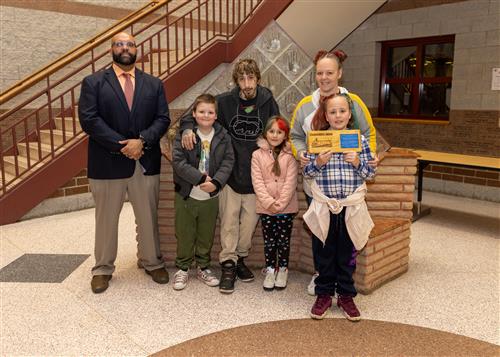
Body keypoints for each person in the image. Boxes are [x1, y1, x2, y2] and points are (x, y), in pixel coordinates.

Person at [79, 32, 170, 294]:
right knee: (106, 219)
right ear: (111, 49)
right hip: (107, 163)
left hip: (145, 161)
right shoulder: (93, 82)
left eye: (129, 44)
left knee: (148, 217)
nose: (125, 48)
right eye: (120, 44)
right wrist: (124, 145)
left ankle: (152, 262)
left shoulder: (153, 84)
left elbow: (162, 118)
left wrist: (141, 141)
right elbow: (90, 120)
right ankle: (103, 269)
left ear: (136, 49)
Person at [180, 59, 279, 294]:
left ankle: (240, 258)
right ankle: (228, 264)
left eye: (251, 78)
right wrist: (186, 128)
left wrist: (272, 140)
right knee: (228, 223)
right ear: (236, 81)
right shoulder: (224, 101)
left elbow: (279, 127)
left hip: (257, 177)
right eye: (242, 79)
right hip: (229, 175)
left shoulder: (267, 101)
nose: (247, 84)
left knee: (248, 226)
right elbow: (194, 114)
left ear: (258, 78)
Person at [289, 49, 378, 296]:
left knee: (345, 239)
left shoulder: (354, 103)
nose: (324, 77)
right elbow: (296, 136)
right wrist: (301, 154)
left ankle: (344, 286)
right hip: (318, 186)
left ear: (340, 73)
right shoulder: (305, 106)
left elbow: (368, 135)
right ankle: (322, 278)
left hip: (348, 188)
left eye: (329, 72)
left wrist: (366, 157)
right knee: (322, 235)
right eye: (319, 73)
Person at [302, 93, 375, 321]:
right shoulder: (318, 141)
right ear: (326, 115)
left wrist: (357, 161)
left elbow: (370, 173)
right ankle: (324, 293)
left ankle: (345, 294)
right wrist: (318, 162)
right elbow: (307, 173)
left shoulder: (359, 140)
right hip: (325, 205)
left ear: (349, 114)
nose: (338, 115)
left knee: (347, 254)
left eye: (342, 111)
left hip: (350, 207)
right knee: (324, 251)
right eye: (332, 112)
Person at [171, 94, 234, 290]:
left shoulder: (223, 136)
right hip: (187, 194)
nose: (206, 115)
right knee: (184, 232)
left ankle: (203, 266)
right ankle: (182, 268)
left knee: (206, 234)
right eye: (201, 112)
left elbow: (228, 161)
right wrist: (199, 178)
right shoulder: (185, 135)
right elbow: (179, 162)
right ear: (194, 114)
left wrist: (216, 182)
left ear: (216, 115)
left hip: (210, 195)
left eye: (210, 112)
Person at [251, 116, 298, 291]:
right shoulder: (257, 155)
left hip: (286, 207)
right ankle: (270, 269)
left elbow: (291, 182)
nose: (275, 135)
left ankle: (283, 270)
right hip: (266, 207)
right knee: (270, 241)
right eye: (271, 131)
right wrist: (269, 203)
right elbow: (257, 182)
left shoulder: (290, 154)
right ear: (265, 133)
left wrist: (281, 204)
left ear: (285, 135)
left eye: (279, 132)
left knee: (283, 241)